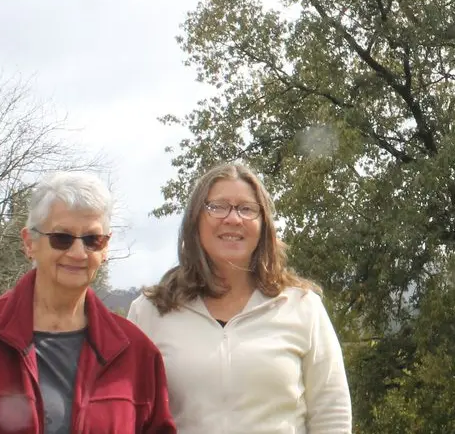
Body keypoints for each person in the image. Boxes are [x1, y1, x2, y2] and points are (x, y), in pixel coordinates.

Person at [0, 172, 176, 434]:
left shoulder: (136, 354)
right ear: (29, 242)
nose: (78, 253)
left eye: (92, 239)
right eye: (61, 238)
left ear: (105, 249)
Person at [128, 162, 351, 434]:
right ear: (195, 220)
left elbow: (331, 413)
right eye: (218, 207)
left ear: (263, 225)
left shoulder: (302, 306)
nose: (233, 219)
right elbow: (131, 414)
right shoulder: (150, 312)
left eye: (247, 209)